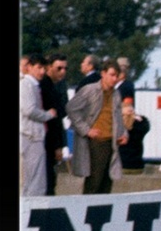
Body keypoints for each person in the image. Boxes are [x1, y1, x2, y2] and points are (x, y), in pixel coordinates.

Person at [66, 60, 128, 194]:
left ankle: (102, 207)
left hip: (111, 141)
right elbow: (71, 108)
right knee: (94, 181)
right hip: (96, 142)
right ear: (103, 74)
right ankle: (88, 206)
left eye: (116, 76)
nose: (114, 79)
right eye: (111, 75)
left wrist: (123, 134)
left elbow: (118, 117)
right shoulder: (90, 90)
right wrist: (86, 130)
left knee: (106, 182)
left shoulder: (116, 94)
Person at [20, 54, 57, 196]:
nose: (42, 72)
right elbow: (29, 110)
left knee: (35, 178)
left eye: (44, 69)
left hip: (34, 136)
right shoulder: (26, 85)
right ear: (29, 67)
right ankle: (31, 206)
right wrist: (48, 115)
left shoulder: (33, 85)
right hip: (30, 136)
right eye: (39, 67)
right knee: (34, 179)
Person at [39, 53, 69, 195]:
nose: (63, 72)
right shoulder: (45, 86)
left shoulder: (55, 86)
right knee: (47, 181)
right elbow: (52, 121)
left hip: (50, 140)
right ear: (49, 67)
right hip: (46, 141)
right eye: (59, 68)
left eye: (65, 68)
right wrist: (57, 146)